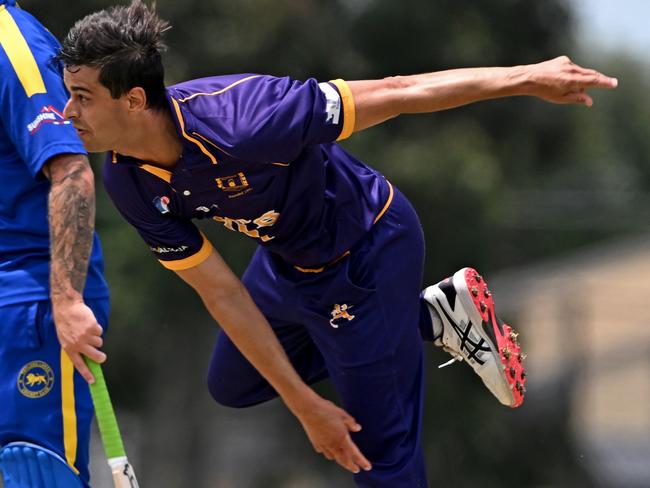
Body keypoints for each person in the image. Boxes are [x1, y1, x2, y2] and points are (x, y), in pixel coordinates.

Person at [57, 1, 617, 486]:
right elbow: (222, 293)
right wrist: (305, 406)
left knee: (376, 457)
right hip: (286, 266)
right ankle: (431, 317)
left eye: (82, 98)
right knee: (234, 382)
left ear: (132, 100)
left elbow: (398, 92)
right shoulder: (125, 179)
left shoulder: (248, 120)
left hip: (370, 251)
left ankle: (392, 325)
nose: (68, 113)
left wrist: (525, 77)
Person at [0, 1, 110, 486]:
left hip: (27, 307)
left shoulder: (12, 43)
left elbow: (72, 170)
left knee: (38, 475)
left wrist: (66, 300)